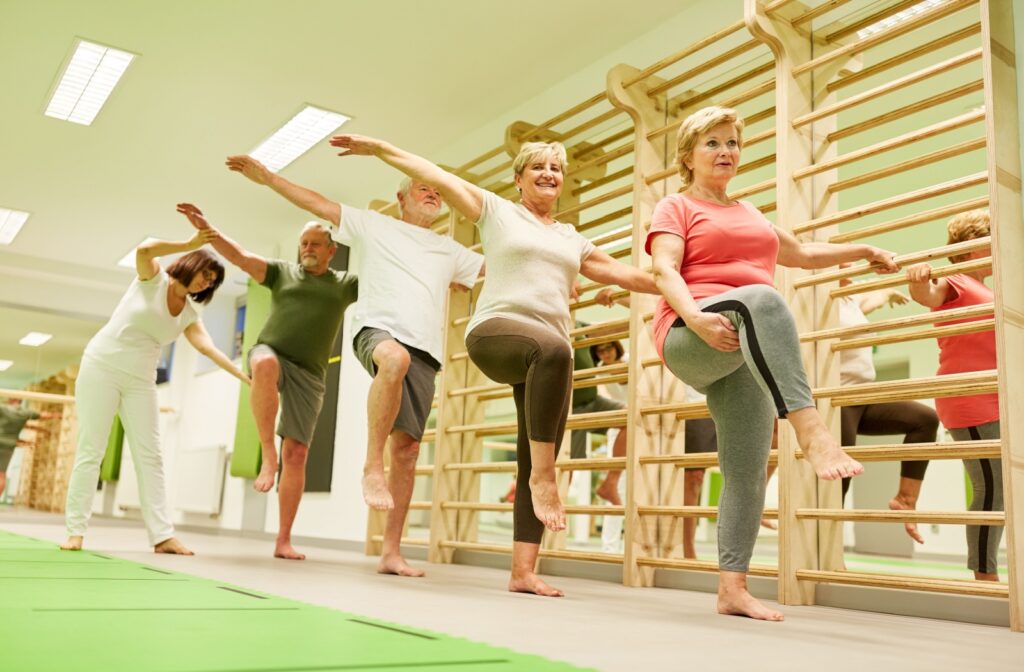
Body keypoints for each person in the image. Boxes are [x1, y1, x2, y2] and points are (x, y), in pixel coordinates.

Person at [330, 133, 658, 596]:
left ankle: (523, 571)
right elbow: (434, 174)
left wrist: (686, 288)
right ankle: (545, 480)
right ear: (519, 179)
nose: (549, 174)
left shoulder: (570, 239)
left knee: (535, 443)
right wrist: (381, 148)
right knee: (557, 357)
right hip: (497, 334)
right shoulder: (496, 211)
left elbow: (625, 273)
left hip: (546, 356)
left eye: (556, 169)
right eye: (538, 167)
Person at [647, 105, 898, 620]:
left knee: (746, 470)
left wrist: (863, 249)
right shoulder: (676, 206)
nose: (725, 152)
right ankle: (811, 432)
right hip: (690, 334)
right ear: (689, 155)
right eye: (712, 143)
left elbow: (803, 254)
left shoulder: (750, 213)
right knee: (764, 297)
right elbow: (663, 269)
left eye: (733, 143)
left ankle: (732, 588)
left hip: (745, 349)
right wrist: (693, 317)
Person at [222, 155, 483, 576]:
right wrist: (269, 178)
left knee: (410, 449)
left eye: (437, 189)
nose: (432, 193)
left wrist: (564, 281)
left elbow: (501, 270)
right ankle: (369, 465)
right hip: (376, 333)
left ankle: (391, 553)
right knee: (393, 360)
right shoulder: (376, 225)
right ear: (401, 199)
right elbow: (318, 205)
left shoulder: (451, 251)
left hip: (427, 349)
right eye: (422, 187)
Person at [177, 204, 359, 563]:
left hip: (310, 372)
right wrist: (208, 229)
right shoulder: (282, 273)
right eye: (303, 243)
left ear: (331, 250)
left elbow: (391, 282)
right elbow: (241, 257)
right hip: (271, 350)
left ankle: (284, 539)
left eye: (315, 244)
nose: (307, 249)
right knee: (262, 363)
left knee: (299, 453)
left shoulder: (344, 285)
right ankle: (267, 456)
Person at [62, 226, 246, 554]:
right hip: (101, 366)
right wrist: (188, 242)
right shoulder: (152, 279)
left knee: (151, 456)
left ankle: (162, 536)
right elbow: (145, 249)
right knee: (92, 450)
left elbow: (209, 349)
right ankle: (75, 531)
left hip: (140, 381)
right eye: (206, 274)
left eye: (212, 282)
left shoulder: (190, 314)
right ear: (191, 264)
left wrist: (247, 378)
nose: (207, 282)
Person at [906, 209, 1001, 581]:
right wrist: (917, 281)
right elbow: (927, 296)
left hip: (994, 398)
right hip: (968, 400)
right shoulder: (956, 279)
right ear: (967, 250)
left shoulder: (990, 290)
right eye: (988, 242)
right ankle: (984, 576)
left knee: (1003, 488)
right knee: (991, 489)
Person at [836, 277, 939, 543]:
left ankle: (905, 499)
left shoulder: (851, 301)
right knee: (840, 478)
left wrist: (891, 293)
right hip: (838, 398)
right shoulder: (823, 302)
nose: (850, 267)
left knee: (924, 419)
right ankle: (827, 550)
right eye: (843, 261)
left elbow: (873, 298)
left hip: (864, 396)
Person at [0, 399, 60, 500]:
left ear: (10, 400)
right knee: (1, 475)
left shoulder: (3, 408)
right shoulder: (25, 412)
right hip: (9, 445)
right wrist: (56, 415)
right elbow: (44, 416)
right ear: (21, 401)